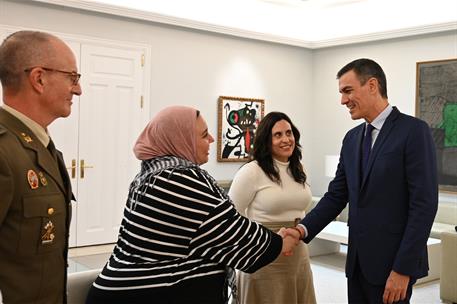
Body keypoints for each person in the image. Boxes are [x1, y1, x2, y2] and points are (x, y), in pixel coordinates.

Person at [85, 106, 298, 304]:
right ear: (181, 140)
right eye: (204, 135)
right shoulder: (177, 178)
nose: (212, 139)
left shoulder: (151, 175)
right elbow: (232, 232)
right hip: (146, 294)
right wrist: (278, 243)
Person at [289, 58, 438, 304]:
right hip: (357, 263)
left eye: (348, 91)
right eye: (341, 93)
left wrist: (403, 269)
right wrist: (301, 230)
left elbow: (424, 205)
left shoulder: (414, 131)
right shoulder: (352, 138)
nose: (343, 100)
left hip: (394, 266)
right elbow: (336, 196)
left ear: (372, 85)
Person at [0, 31, 82, 303]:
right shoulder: (4, 151)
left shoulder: (39, 145)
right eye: (72, 77)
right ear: (39, 78)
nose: (78, 89)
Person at [229, 111, 316, 304]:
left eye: (289, 133)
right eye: (278, 135)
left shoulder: (299, 169)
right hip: (262, 252)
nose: (286, 139)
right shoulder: (252, 171)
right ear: (266, 140)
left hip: (298, 251)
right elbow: (231, 217)